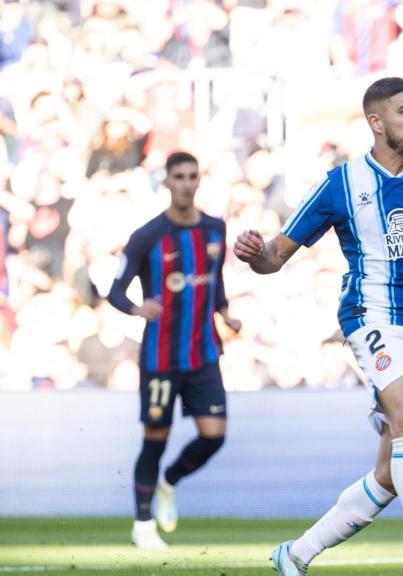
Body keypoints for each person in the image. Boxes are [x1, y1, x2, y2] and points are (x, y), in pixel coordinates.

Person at [233, 77, 403, 576]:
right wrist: (255, 255)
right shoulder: (340, 184)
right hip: (371, 318)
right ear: (376, 122)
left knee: (390, 474)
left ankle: (294, 555)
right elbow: (276, 256)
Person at [107, 151, 241, 549]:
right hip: (160, 358)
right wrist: (136, 308)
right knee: (155, 439)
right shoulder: (147, 236)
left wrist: (226, 314)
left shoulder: (216, 230)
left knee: (214, 435)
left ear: (199, 181)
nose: (186, 183)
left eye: (192, 176)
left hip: (203, 354)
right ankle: (143, 525)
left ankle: (169, 481)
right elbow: (114, 290)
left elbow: (215, 284)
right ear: (166, 182)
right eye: (178, 176)